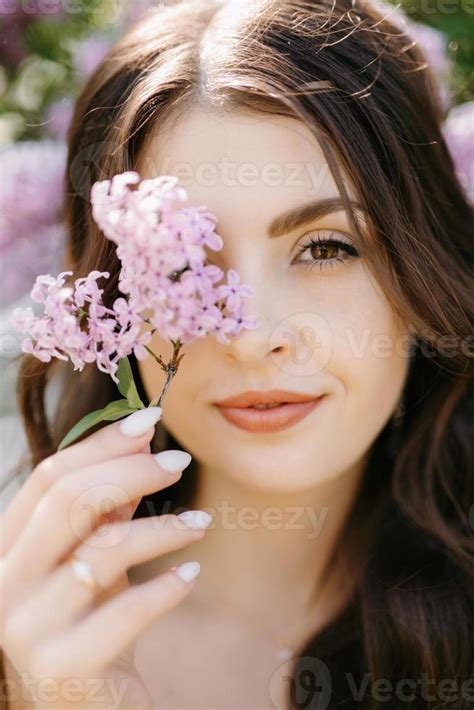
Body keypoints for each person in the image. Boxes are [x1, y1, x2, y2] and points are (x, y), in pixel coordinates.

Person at [1, 0, 473, 708]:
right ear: (108, 300)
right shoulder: (27, 648)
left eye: (326, 248)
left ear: (423, 266)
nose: (250, 334)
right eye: (186, 265)